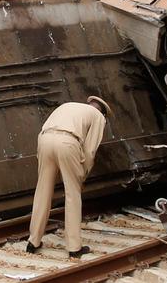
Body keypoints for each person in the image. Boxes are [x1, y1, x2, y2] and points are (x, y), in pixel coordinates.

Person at [26, 97, 111, 258]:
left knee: (43, 190)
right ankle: (74, 247)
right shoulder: (98, 116)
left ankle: (33, 241)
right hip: (68, 142)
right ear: (103, 113)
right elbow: (90, 150)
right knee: (73, 193)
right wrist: (82, 175)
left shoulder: (68, 105)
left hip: (44, 140)